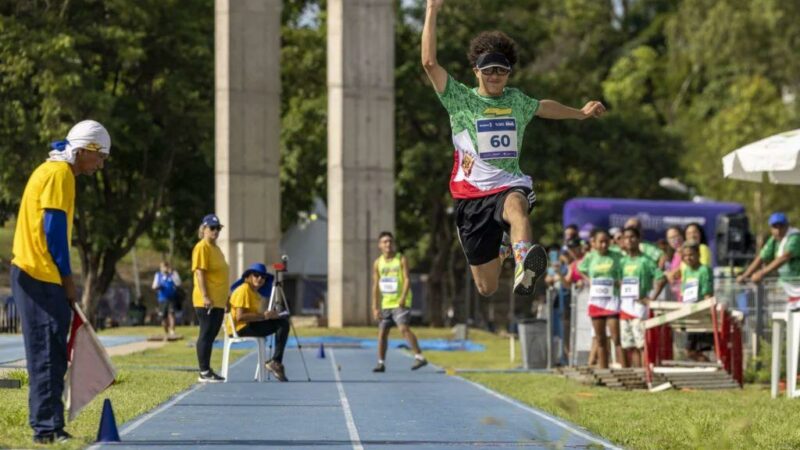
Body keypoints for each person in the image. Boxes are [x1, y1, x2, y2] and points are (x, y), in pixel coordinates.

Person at [421, 0, 606, 297]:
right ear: (476, 71)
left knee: (517, 206)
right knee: (487, 287)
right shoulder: (459, 99)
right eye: (488, 70)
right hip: (471, 198)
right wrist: (432, 9)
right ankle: (504, 247)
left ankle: (523, 263)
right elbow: (430, 63)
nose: (495, 76)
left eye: (502, 71)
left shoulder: (516, 100)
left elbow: (543, 107)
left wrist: (580, 113)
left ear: (509, 73)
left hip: (509, 185)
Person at [10, 119, 110, 444]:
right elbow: (53, 232)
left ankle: (51, 425)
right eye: (100, 156)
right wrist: (68, 279)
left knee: (52, 351)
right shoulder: (59, 174)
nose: (100, 165)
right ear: (83, 150)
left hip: (41, 274)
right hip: (38, 275)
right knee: (46, 353)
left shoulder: (58, 172)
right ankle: (46, 429)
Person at [372, 232, 427, 372]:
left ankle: (419, 356)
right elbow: (375, 285)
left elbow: (407, 278)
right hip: (386, 304)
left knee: (403, 328)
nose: (388, 244)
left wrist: (403, 297)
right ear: (379, 245)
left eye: (390, 241)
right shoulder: (378, 263)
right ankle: (380, 363)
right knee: (382, 333)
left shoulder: (401, 259)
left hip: (400, 303)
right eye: (385, 242)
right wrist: (375, 307)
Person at [228, 263, 290, 381]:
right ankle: (276, 362)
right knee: (282, 324)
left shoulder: (253, 292)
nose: (260, 278)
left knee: (281, 322)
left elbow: (253, 316)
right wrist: (264, 316)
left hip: (247, 325)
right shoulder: (244, 290)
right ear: (249, 277)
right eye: (256, 275)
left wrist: (269, 316)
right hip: (240, 328)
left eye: (263, 277)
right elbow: (240, 317)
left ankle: (275, 361)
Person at [619, 227, 666, 367]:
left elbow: (661, 279)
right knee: (630, 346)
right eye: (626, 237)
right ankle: (637, 374)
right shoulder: (622, 261)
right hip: (624, 308)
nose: (629, 240)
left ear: (639, 239)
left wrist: (651, 299)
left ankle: (646, 374)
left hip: (639, 308)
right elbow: (618, 280)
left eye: (632, 237)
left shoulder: (646, 260)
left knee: (642, 345)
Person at [191, 214, 229, 382]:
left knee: (212, 334)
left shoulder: (216, 249)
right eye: (212, 228)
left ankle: (207, 369)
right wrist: (205, 296)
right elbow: (200, 272)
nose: (215, 231)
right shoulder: (202, 247)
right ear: (204, 229)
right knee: (206, 333)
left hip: (218, 301)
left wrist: (226, 298)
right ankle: (204, 371)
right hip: (206, 301)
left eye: (218, 228)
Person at [578, 229, 622, 369]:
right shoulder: (590, 257)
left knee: (616, 338)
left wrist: (619, 281)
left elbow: (624, 270)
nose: (604, 245)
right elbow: (580, 269)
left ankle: (625, 369)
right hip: (596, 300)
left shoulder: (616, 256)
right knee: (600, 339)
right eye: (601, 242)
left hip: (612, 300)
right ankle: (604, 370)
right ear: (594, 243)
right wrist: (589, 280)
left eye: (606, 241)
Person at [737, 212, 800, 310]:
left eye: (781, 226)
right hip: (786, 286)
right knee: (781, 315)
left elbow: (784, 257)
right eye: (775, 227)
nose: (778, 230)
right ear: (771, 228)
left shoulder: (795, 237)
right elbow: (761, 257)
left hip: (797, 284)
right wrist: (745, 275)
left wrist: (761, 273)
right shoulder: (774, 239)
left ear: (787, 226)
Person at [680, 242, 714, 361]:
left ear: (698, 254)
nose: (688, 258)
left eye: (691, 255)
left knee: (695, 350)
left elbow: (707, 294)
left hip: (701, 315)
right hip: (689, 314)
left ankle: (711, 367)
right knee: (689, 351)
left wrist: (708, 313)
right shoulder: (686, 271)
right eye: (685, 256)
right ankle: (709, 366)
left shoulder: (704, 270)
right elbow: (684, 293)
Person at [152, 261, 182, 339]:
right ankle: (166, 331)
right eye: (163, 267)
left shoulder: (173, 274)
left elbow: (178, 283)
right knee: (163, 317)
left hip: (172, 298)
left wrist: (171, 274)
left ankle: (172, 331)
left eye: (166, 266)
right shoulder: (158, 275)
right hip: (162, 299)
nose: (165, 268)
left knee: (171, 314)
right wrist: (158, 287)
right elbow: (154, 286)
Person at [664, 226, 685, 301]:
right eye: (671, 238)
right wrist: (666, 273)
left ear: (682, 236)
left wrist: (672, 273)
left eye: (676, 236)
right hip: (676, 296)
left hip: (686, 295)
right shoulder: (672, 255)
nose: (674, 240)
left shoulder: (687, 252)